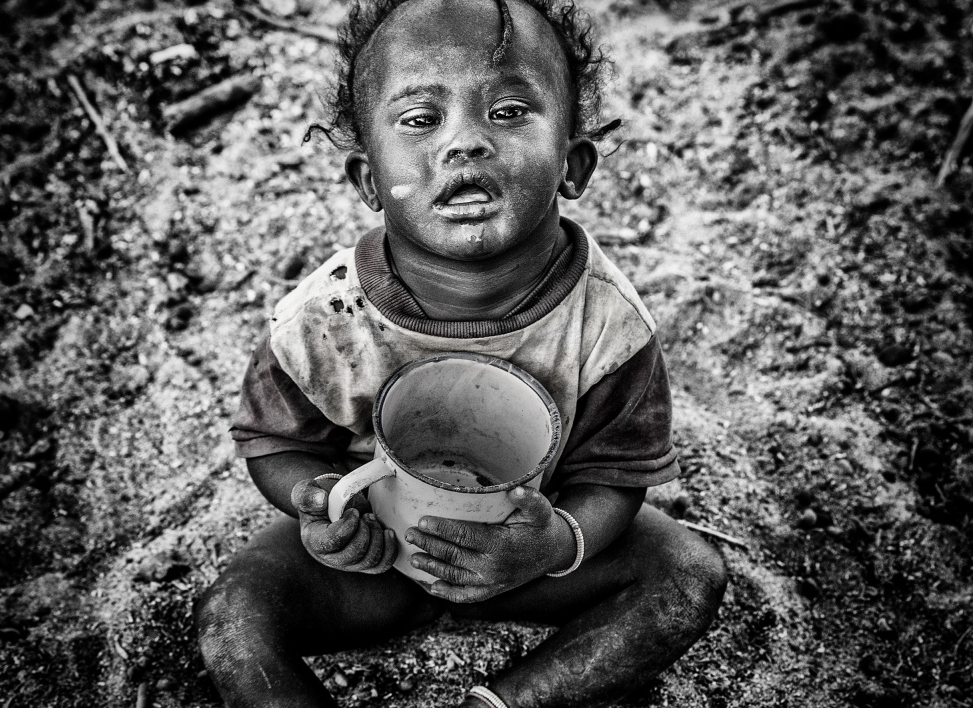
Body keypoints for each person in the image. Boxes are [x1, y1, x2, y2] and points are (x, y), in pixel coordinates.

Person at [196, 0, 728, 705]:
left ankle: (507, 702)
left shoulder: (609, 324)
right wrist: (315, 504)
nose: (465, 142)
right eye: (420, 119)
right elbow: (270, 442)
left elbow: (617, 476)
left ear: (574, 164)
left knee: (687, 572)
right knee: (234, 614)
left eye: (508, 112)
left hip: (530, 554)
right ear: (367, 180)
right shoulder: (323, 318)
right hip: (374, 559)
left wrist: (558, 540)